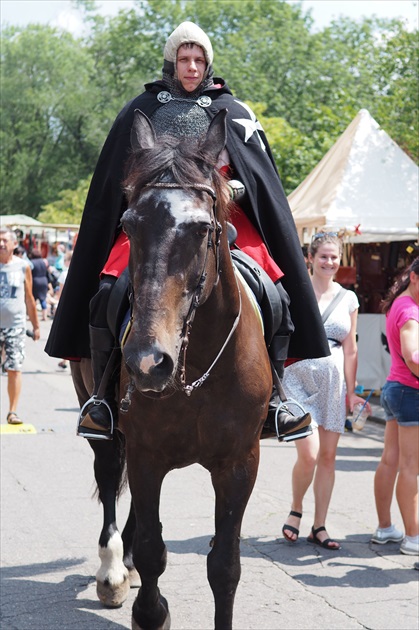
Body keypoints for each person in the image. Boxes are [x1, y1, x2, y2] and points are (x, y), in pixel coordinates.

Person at [45, 21, 329, 440]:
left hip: (222, 220)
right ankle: (102, 397)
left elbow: (256, 179)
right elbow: (117, 178)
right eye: (184, 59)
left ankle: (276, 398)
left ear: (208, 63)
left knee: (275, 292)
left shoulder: (231, 112)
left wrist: (229, 188)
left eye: (198, 60)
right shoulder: (143, 109)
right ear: (171, 62)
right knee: (107, 289)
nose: (192, 67)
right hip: (155, 223)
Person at [281, 233, 370, 549]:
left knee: (329, 457)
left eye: (334, 257)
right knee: (310, 453)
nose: (330, 262)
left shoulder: (348, 299)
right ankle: (296, 508)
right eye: (324, 257)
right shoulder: (294, 292)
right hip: (297, 380)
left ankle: (319, 526)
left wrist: (353, 391)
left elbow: (351, 349)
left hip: (333, 386)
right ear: (310, 257)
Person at [372, 257, 419, 556]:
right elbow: (413, 355)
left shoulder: (401, 304)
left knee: (391, 460)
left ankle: (385, 528)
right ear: (414, 277)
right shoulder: (410, 312)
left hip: (396, 389)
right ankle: (413, 536)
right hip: (409, 392)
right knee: (410, 467)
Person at [0, 228, 40, 424]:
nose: (1, 244)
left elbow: (29, 297)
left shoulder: (23, 266)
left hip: (15, 326)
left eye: (5, 241)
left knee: (15, 368)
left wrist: (36, 325)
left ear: (14, 244)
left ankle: (12, 411)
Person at [29, 248, 50, 322]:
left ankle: (32, 316)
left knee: (33, 300)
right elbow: (48, 272)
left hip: (35, 281)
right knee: (43, 299)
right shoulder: (44, 261)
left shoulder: (31, 262)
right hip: (44, 280)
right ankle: (45, 316)